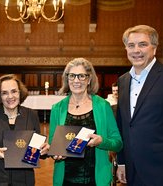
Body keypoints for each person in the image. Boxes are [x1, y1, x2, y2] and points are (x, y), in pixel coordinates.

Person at [116, 25, 163, 186]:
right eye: (131, 45)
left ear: (154, 48)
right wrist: (122, 162)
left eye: (142, 44)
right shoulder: (123, 81)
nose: (136, 50)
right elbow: (123, 126)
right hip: (131, 168)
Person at [49, 58, 123, 186]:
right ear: (67, 79)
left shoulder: (103, 106)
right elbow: (52, 143)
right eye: (72, 76)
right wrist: (54, 153)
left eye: (81, 76)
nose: (76, 80)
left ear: (89, 79)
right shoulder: (57, 108)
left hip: (96, 179)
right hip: (65, 180)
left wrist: (102, 141)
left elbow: (118, 143)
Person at [0, 74, 49, 185]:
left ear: (20, 92)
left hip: (23, 180)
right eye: (5, 93)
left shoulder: (31, 115)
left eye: (14, 91)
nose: (10, 96)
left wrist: (44, 150)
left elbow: (37, 148)